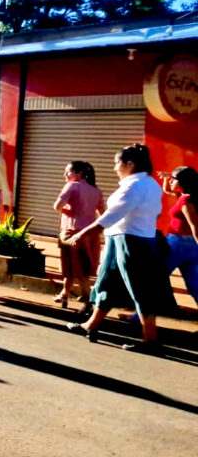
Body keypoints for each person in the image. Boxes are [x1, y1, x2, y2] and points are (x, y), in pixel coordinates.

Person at [66, 145, 176, 353]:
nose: (115, 167)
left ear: (130, 164)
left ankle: (150, 340)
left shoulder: (134, 186)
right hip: (123, 239)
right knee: (107, 283)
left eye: (117, 163)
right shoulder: (148, 184)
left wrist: (81, 234)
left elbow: (112, 215)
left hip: (132, 241)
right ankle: (91, 325)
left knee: (140, 289)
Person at [53, 161, 106, 308]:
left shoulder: (72, 186)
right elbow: (102, 212)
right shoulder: (96, 190)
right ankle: (64, 294)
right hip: (91, 233)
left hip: (72, 231)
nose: (65, 175)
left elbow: (57, 206)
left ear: (80, 174)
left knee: (76, 267)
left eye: (68, 172)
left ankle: (88, 299)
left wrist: (69, 211)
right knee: (78, 266)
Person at [160, 166, 198, 306]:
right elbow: (167, 190)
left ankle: (140, 316)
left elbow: (195, 226)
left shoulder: (186, 202)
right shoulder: (187, 197)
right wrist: (166, 178)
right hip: (190, 246)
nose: (171, 181)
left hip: (177, 244)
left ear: (183, 181)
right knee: (194, 284)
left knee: (156, 277)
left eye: (174, 179)